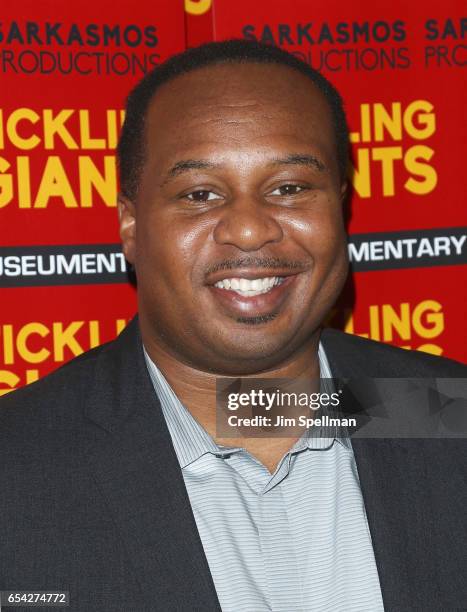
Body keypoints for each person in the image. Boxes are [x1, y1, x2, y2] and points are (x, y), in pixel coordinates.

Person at [0, 40, 466, 612]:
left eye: (290, 188)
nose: (249, 229)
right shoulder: (16, 463)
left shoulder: (449, 412)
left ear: (339, 208)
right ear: (129, 223)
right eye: (200, 194)